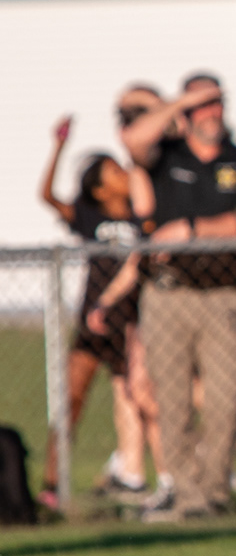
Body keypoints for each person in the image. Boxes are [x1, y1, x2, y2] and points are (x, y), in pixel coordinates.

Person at [120, 74, 236, 521]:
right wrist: (177, 103)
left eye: (216, 102)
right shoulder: (166, 156)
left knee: (224, 399)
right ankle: (188, 496)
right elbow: (133, 140)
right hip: (169, 295)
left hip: (221, 294)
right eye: (202, 104)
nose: (211, 112)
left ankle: (215, 490)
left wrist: (191, 230)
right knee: (173, 403)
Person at [36, 118, 147, 507]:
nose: (124, 174)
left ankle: (134, 474)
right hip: (93, 322)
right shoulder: (88, 214)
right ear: (99, 189)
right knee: (71, 398)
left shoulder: (141, 212)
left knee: (136, 403)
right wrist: (58, 146)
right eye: (114, 172)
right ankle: (52, 484)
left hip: (130, 322)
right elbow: (47, 195)